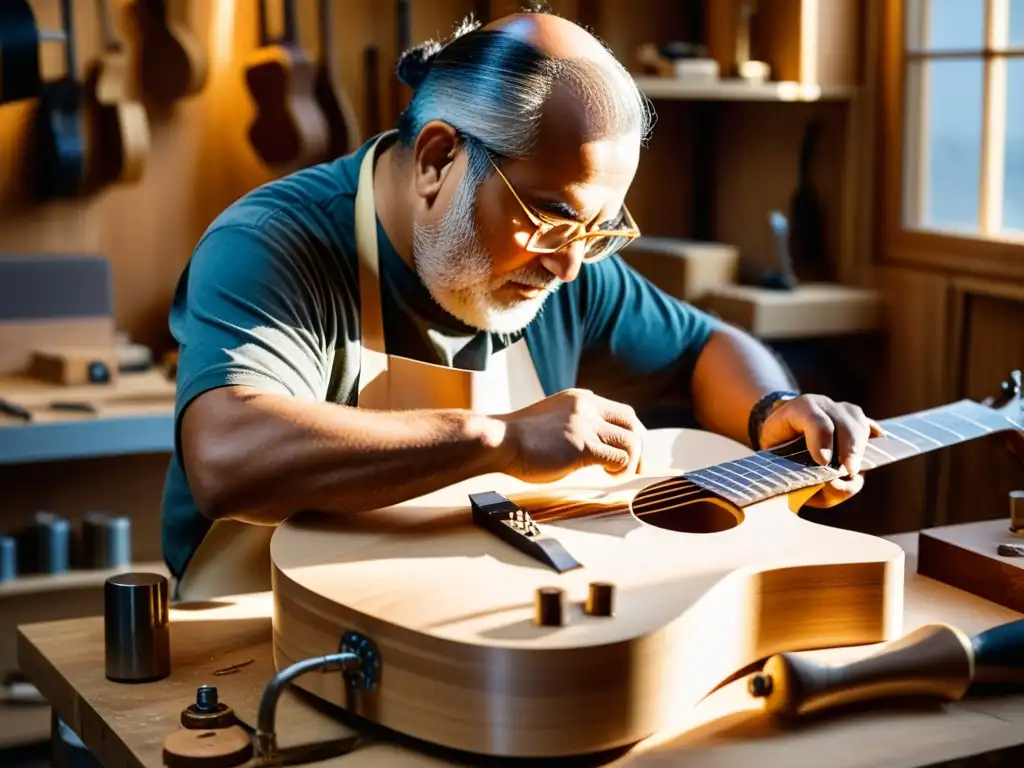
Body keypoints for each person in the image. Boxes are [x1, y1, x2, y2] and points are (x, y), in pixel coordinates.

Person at [161, 11, 880, 600]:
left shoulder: (569, 262)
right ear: (439, 159)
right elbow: (229, 458)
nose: (569, 265)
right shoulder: (273, 243)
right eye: (549, 217)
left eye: (597, 229)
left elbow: (706, 348)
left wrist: (771, 408)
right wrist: (498, 438)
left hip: (458, 626)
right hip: (255, 628)